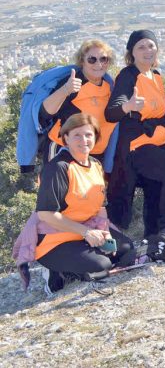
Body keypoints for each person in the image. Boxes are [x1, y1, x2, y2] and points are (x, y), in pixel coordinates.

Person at [16, 113, 134, 295]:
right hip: (54, 239)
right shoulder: (58, 168)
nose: (84, 140)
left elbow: (100, 207)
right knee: (101, 265)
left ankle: (77, 262)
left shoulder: (95, 165)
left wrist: (106, 236)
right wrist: (86, 232)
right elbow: (46, 214)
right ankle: (55, 270)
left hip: (84, 232)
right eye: (77, 135)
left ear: (95, 138)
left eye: (89, 135)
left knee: (125, 250)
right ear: (66, 139)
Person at [105, 29, 165, 235]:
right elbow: (111, 112)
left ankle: (153, 239)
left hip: (158, 145)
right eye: (141, 47)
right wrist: (128, 106)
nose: (147, 50)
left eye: (151, 45)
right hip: (138, 147)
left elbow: (164, 114)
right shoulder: (128, 75)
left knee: (156, 192)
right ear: (131, 52)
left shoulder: (156, 76)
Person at [33, 40, 119, 169]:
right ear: (82, 61)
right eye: (92, 59)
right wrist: (65, 90)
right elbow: (44, 114)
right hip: (64, 152)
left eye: (103, 59)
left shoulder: (109, 86)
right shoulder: (73, 83)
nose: (98, 64)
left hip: (95, 155)